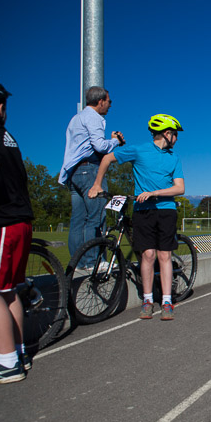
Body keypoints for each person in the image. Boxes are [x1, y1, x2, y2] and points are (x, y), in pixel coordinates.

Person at [88, 114, 185, 321]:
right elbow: (107, 158)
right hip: (143, 211)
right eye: (175, 135)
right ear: (167, 134)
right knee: (148, 255)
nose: (176, 139)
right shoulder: (139, 150)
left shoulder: (173, 158)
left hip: (166, 210)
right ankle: (147, 300)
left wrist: (155, 193)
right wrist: (97, 184)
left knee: (164, 256)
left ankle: (166, 301)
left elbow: (180, 188)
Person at [60, 86, 124, 269]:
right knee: (96, 217)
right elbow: (100, 146)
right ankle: (93, 262)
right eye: (109, 101)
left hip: (74, 172)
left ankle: (77, 263)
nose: (110, 105)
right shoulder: (94, 117)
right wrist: (116, 141)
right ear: (100, 101)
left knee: (78, 220)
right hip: (90, 170)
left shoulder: (76, 118)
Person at [0, 82, 34, 383]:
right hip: (20, 219)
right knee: (8, 290)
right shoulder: (8, 137)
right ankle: (18, 352)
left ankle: (7, 362)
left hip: (3, 220)